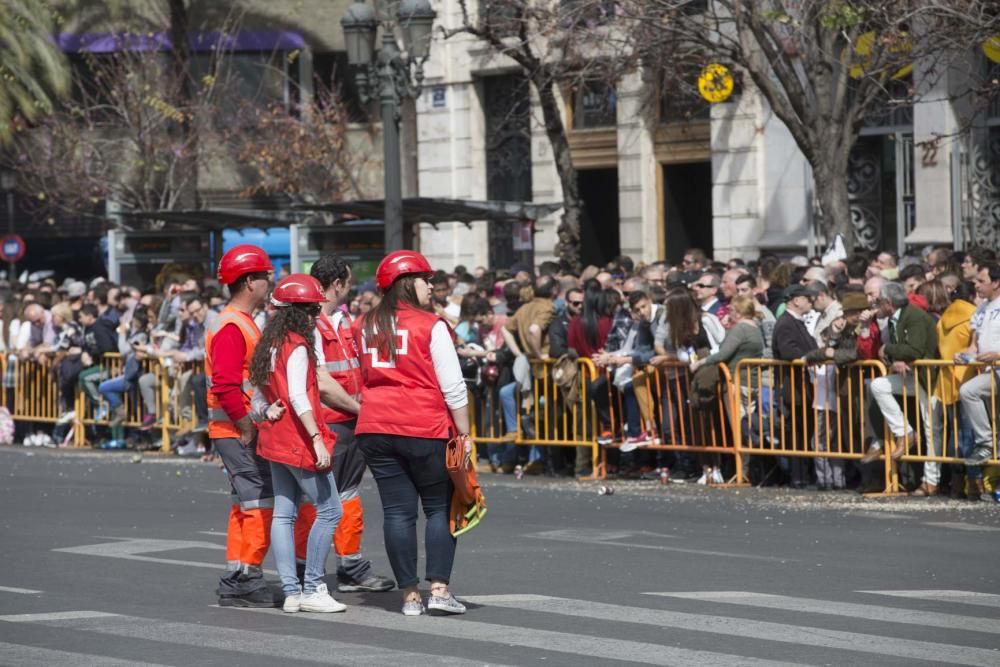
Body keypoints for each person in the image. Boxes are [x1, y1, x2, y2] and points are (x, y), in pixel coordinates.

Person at [354, 250, 471, 616]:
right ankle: (438, 588)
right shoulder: (430, 324)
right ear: (408, 283)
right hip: (424, 424)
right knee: (439, 508)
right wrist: (464, 435)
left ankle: (409, 597)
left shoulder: (363, 323)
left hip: (375, 424)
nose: (431, 285)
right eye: (425, 279)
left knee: (397, 512)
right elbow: (453, 386)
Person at [250, 274, 345, 614]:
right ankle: (314, 587)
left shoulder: (271, 343)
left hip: (274, 437)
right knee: (331, 510)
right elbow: (298, 397)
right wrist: (317, 439)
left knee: (284, 513)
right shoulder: (297, 344)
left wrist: (264, 411)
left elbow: (258, 395)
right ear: (298, 312)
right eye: (311, 309)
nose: (316, 315)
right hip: (297, 439)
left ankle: (291, 592)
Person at [306, 254, 396, 594]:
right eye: (348, 281)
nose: (351, 288)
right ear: (337, 284)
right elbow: (323, 382)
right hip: (331, 422)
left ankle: (349, 565)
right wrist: (362, 410)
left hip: (346, 421)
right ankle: (311, 570)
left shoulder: (341, 321)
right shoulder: (313, 325)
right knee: (319, 500)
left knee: (345, 495)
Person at [206, 244, 277, 608]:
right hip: (237, 430)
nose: (269, 281)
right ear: (250, 281)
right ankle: (248, 577)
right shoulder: (233, 326)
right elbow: (225, 384)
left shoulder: (240, 322)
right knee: (259, 501)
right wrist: (247, 425)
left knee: (244, 503)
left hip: (235, 429)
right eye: (266, 276)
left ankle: (238, 576)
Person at [959, 263, 1000, 469]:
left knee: (969, 391)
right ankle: (985, 443)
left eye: (981, 281)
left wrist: (997, 354)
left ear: (996, 282)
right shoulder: (982, 307)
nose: (976, 285)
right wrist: (965, 355)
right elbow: (973, 345)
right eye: (975, 281)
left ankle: (986, 444)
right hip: (991, 372)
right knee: (968, 391)